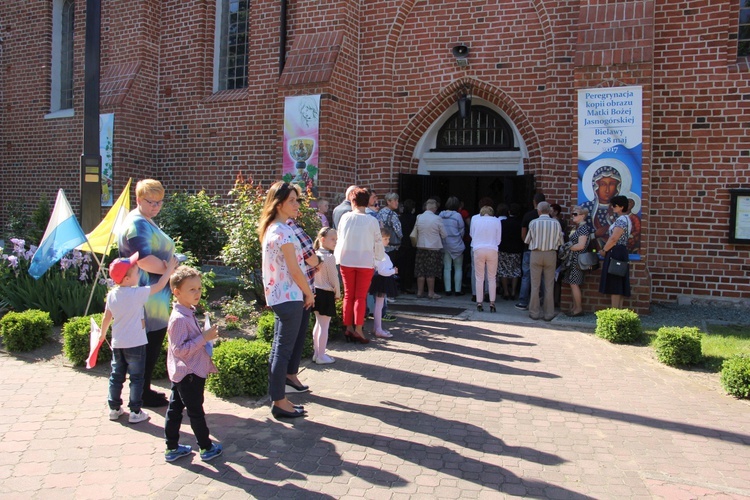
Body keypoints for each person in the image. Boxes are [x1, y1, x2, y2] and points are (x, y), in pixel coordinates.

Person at [259, 181, 315, 420]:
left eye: (297, 200)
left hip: (282, 295)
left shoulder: (275, 227)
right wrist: (309, 293)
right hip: (289, 296)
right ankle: (279, 402)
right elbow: (294, 269)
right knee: (282, 350)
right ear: (279, 203)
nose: (296, 204)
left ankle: (278, 397)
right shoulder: (282, 231)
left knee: (279, 349)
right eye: (292, 200)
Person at [118, 179, 176, 408]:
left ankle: (144, 389)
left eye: (159, 202)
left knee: (150, 346)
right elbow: (142, 260)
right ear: (139, 199)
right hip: (146, 297)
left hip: (153, 297)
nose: (155, 206)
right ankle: (141, 393)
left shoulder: (146, 221)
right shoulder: (137, 224)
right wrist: (170, 268)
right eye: (150, 202)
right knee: (146, 346)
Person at [101, 252, 178, 425]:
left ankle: (114, 408)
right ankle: (135, 411)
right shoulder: (137, 294)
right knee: (137, 378)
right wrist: (170, 270)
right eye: (137, 273)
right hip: (136, 344)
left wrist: (101, 334)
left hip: (118, 343)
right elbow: (158, 285)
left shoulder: (112, 294)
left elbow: (107, 316)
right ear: (127, 279)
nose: (139, 275)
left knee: (116, 376)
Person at [163, 265, 222, 462]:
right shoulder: (179, 318)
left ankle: (172, 448)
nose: (197, 293)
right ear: (177, 292)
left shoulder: (187, 311)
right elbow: (179, 350)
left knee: (175, 408)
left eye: (199, 288)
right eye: (192, 289)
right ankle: (206, 447)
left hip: (183, 372)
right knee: (195, 411)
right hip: (188, 373)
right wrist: (204, 338)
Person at [334, 187, 384, 344]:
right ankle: (358, 330)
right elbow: (378, 241)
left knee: (348, 295)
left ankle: (348, 327)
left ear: (353, 201)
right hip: (365, 261)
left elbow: (339, 237)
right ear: (367, 201)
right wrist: (378, 259)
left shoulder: (346, 218)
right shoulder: (372, 220)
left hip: (347, 259)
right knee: (360, 297)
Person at [525, 201, 564, 321]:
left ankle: (534, 312)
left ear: (539, 210)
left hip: (536, 253)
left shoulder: (533, 223)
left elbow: (527, 240)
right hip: (551, 254)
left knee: (535, 285)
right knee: (549, 285)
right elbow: (561, 242)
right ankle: (549, 313)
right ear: (549, 211)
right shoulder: (556, 223)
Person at [312, 227, 340, 364]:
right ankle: (321, 355)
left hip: (316, 292)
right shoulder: (329, 257)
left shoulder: (315, 255)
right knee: (324, 326)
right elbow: (334, 278)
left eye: (336, 239)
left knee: (318, 323)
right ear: (323, 239)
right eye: (332, 239)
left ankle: (317, 353)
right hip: (326, 292)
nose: (335, 242)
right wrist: (338, 292)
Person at [599, 195, 631, 309]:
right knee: (619, 282)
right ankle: (619, 310)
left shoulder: (622, 220)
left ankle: (614, 312)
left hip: (616, 251)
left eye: (615, 205)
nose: (612, 207)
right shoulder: (626, 219)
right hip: (621, 251)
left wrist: (604, 250)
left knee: (615, 283)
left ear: (621, 207)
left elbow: (614, 238)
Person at [515, 192, 546, 311]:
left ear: (534, 202)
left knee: (526, 276)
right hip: (544, 250)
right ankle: (542, 300)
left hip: (529, 249)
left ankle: (523, 301)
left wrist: (528, 243)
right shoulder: (550, 218)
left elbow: (523, 235)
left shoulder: (528, 216)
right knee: (543, 277)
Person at [470, 206, 502, 312]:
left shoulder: (475, 220)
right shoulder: (496, 221)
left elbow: (471, 235)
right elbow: (498, 239)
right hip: (492, 249)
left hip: (478, 249)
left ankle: (479, 302)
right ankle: (492, 303)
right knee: (492, 277)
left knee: (479, 277)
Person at [369, 227, 399, 338]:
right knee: (379, 306)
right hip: (382, 280)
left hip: (382, 279)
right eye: (385, 238)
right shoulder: (379, 253)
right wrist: (392, 271)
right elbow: (381, 271)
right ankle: (378, 328)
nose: (387, 241)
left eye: (388, 238)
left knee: (379, 305)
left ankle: (377, 327)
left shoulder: (381, 252)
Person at [412, 199, 446, 299]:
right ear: (434, 208)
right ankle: (431, 293)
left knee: (420, 270)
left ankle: (419, 292)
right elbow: (444, 234)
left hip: (421, 246)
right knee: (431, 271)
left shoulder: (419, 217)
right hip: (434, 247)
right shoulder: (437, 218)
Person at [563, 206, 592, 317]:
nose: (573, 216)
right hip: (573, 259)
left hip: (577, 259)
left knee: (574, 284)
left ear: (582, 216)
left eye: (575, 214)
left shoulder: (583, 229)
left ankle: (578, 308)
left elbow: (581, 245)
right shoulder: (579, 228)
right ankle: (575, 307)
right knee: (572, 284)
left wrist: (567, 247)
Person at [439, 196, 466, 296]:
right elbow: (462, 230)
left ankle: (448, 290)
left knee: (447, 268)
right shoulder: (457, 216)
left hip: (445, 244)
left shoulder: (441, 215)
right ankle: (458, 290)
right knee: (458, 268)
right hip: (456, 244)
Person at [498, 203, 524, 300]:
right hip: (516, 250)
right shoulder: (520, 223)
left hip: (504, 249)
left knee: (503, 271)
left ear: (509, 212)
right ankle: (513, 292)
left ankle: (506, 292)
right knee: (515, 271)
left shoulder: (503, 223)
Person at [398, 199, 417, 293]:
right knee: (409, 266)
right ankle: (408, 286)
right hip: (410, 244)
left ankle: (402, 286)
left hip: (401, 243)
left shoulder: (400, 218)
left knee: (402, 265)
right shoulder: (413, 218)